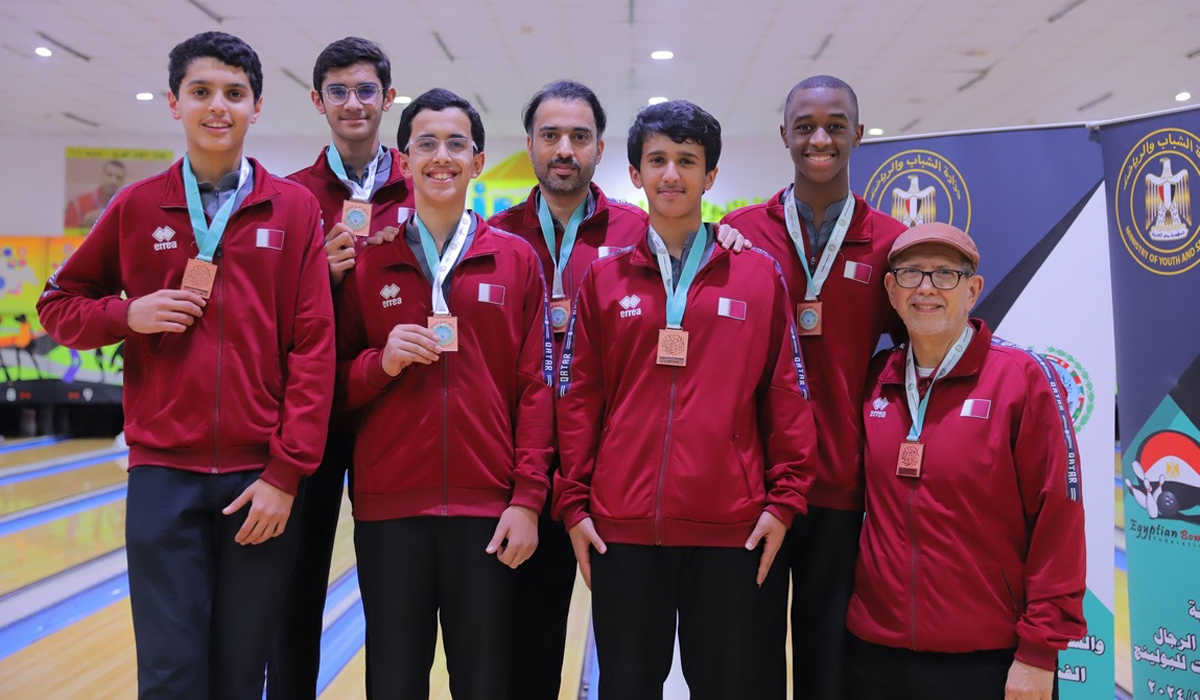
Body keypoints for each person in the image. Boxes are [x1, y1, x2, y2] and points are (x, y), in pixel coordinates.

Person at [37, 31, 334, 700]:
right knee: (170, 674)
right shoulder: (139, 205)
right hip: (162, 476)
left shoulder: (294, 210)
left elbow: (313, 348)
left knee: (239, 674)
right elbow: (58, 305)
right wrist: (126, 315)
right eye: (201, 92)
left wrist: (286, 474)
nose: (218, 106)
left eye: (235, 93)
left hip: (259, 479)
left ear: (257, 107)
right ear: (175, 104)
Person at [554, 100, 816, 700]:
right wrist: (574, 504)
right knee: (625, 686)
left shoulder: (757, 276)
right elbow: (579, 400)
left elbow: (785, 394)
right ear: (636, 173)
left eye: (687, 161)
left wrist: (783, 501)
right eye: (658, 160)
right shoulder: (603, 278)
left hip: (732, 531)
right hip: (620, 532)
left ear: (710, 176)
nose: (672, 174)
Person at [335, 88, 554, 699]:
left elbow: (535, 388)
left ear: (478, 161)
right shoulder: (368, 262)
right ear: (402, 161)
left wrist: (528, 498)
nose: (441, 156)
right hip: (390, 511)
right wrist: (380, 364)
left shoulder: (515, 261)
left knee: (485, 682)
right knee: (395, 681)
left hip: (488, 511)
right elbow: (330, 381)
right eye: (426, 143)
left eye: (456, 144)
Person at [720, 74, 906, 698]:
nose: (819, 138)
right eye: (804, 126)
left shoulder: (891, 245)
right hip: (754, 484)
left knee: (832, 660)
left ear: (859, 132)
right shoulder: (740, 234)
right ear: (784, 136)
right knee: (749, 657)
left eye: (833, 125)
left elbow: (915, 360)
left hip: (845, 487)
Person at [846, 222, 1085, 700]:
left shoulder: (1023, 380)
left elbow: (1058, 521)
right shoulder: (874, 380)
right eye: (911, 273)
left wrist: (1039, 653)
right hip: (875, 655)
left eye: (945, 274)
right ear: (891, 291)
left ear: (973, 290)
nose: (927, 288)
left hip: (986, 660)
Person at [268, 36, 413, 700]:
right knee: (294, 591)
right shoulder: (290, 197)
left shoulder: (426, 186)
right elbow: (263, 316)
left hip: (396, 413)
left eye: (365, 91)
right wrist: (310, 277)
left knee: (394, 595)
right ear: (317, 100)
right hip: (313, 418)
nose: (352, 104)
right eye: (338, 91)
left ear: (387, 98)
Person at [64, 159, 126, 229]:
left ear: (123, 182)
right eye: (109, 175)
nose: (113, 181)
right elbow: (61, 233)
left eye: (118, 178)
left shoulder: (124, 209)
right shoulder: (77, 204)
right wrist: (83, 225)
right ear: (101, 176)